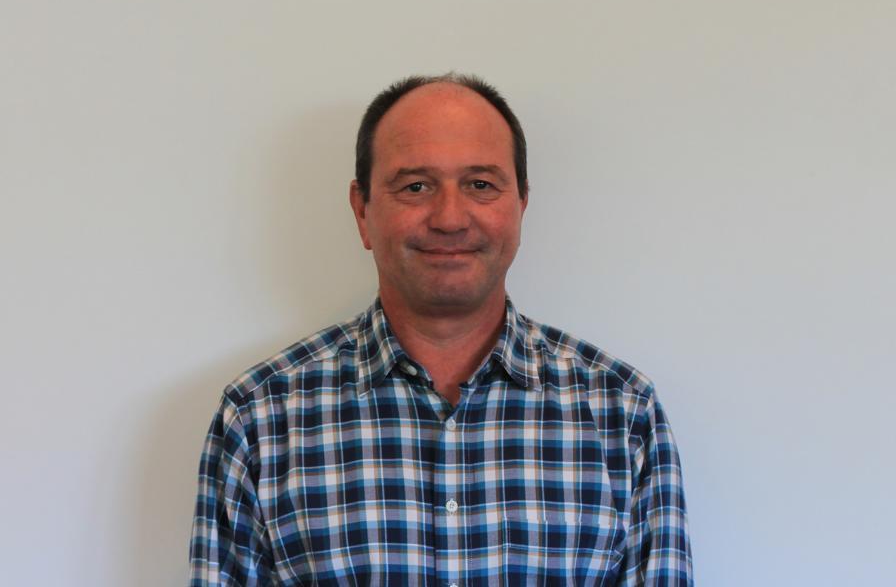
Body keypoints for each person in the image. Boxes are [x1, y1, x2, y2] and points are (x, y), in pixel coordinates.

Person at [189, 73, 693, 586]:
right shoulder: (260, 417)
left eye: (480, 185)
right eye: (416, 186)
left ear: (520, 205)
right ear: (362, 211)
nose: (450, 218)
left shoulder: (622, 413)